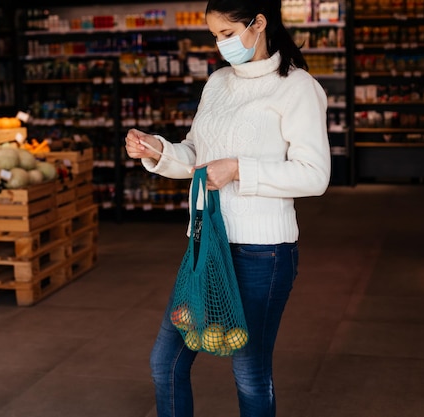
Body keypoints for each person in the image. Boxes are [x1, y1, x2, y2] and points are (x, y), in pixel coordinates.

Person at [124, 0, 331, 416]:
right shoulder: (217, 82)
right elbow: (198, 155)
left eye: (227, 33)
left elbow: (314, 174)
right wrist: (158, 149)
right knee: (165, 361)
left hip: (263, 253)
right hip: (205, 245)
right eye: (215, 36)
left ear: (258, 23)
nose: (220, 45)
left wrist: (239, 169)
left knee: (250, 372)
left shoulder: (297, 87)